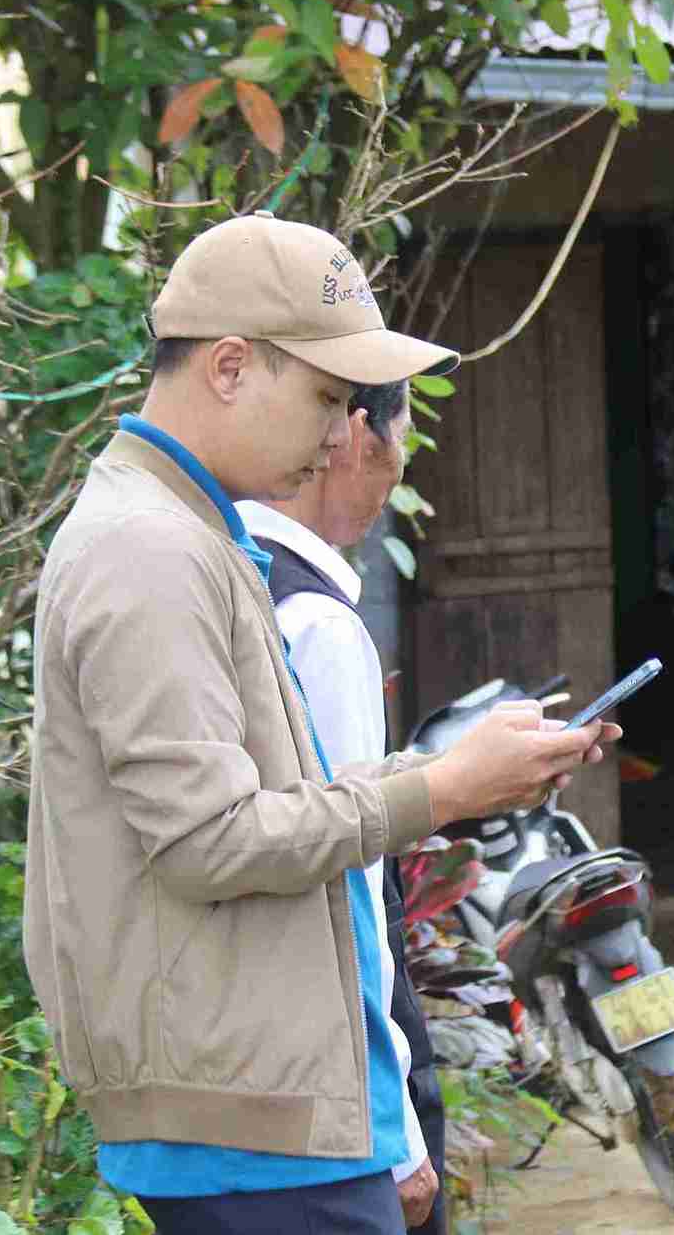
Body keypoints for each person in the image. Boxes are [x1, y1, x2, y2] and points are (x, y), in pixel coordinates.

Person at [22, 212, 617, 1235]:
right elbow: (210, 838)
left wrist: (464, 767)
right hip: (244, 1122)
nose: (341, 432)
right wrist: (444, 786)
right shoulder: (150, 549)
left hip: (258, 1102)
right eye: (327, 396)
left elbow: (265, 800)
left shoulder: (188, 530)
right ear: (229, 366)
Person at [236, 375, 447, 1232]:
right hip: (345, 1096)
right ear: (355, 434)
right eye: (399, 435)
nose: (399, 464)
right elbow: (351, 887)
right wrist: (394, 1130)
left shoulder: (233, 573)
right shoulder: (319, 626)